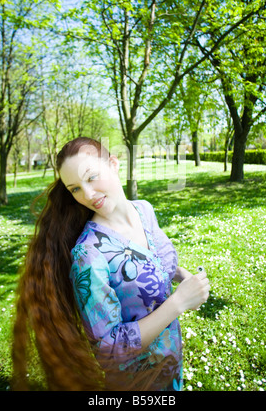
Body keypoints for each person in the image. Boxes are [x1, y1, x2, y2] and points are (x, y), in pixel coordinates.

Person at [12, 137, 210, 391]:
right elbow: (108, 348)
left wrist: (182, 276)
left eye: (91, 177)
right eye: (75, 189)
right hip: (137, 383)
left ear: (114, 163)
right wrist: (178, 303)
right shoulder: (89, 255)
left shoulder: (144, 210)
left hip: (171, 366)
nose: (88, 195)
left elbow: (155, 263)